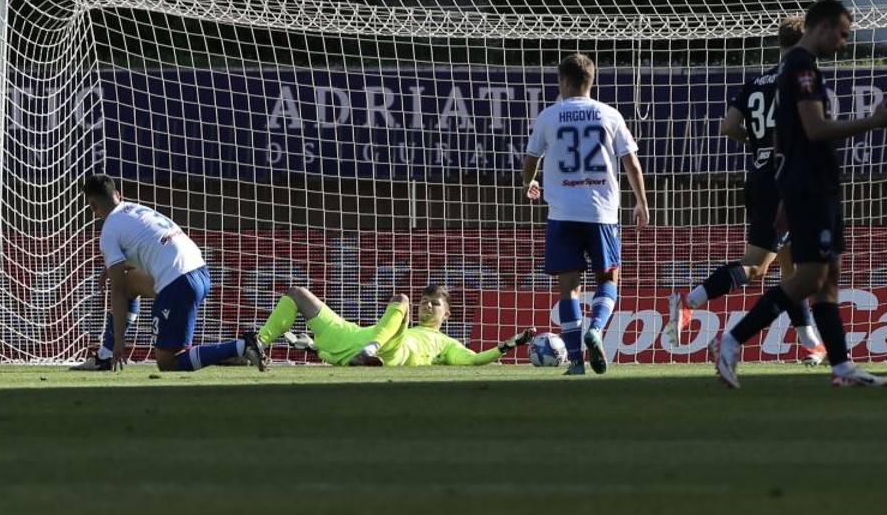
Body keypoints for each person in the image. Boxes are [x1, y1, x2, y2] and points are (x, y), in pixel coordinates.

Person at [711, 0, 887, 388]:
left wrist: (783, 189)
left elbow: (782, 135)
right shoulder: (801, 68)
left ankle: (841, 367)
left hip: (812, 185)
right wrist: (873, 121)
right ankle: (732, 340)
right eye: (843, 35)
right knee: (809, 277)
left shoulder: (793, 67)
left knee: (828, 277)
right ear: (823, 27)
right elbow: (815, 129)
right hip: (811, 187)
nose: (844, 43)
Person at [663, 16, 826, 364]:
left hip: (759, 176)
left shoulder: (756, 82)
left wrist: (759, 145)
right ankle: (689, 300)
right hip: (785, 182)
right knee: (756, 266)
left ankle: (812, 345)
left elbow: (728, 126)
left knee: (792, 267)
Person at [522, 53, 650, 376]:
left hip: (562, 213)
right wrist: (641, 202)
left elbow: (531, 157)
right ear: (591, 81)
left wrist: (529, 182)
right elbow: (631, 162)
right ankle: (596, 329)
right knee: (608, 279)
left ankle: (576, 363)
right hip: (601, 212)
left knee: (569, 287)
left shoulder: (549, 116)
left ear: (564, 80)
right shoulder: (610, 114)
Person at [73, 174, 266, 372]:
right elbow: (149, 247)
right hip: (200, 271)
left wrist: (119, 342)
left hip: (179, 282)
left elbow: (117, 291)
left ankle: (242, 346)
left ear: (93, 206)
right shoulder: (137, 210)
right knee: (130, 283)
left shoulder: (109, 231)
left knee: (168, 362)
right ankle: (104, 357)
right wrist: (111, 267)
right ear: (118, 194)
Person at [255, 284, 534, 367]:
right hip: (353, 336)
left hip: (390, 351)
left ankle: (370, 350)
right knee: (297, 294)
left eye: (434, 304)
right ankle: (256, 345)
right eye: (424, 302)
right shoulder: (400, 326)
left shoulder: (447, 344)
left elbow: (473, 360)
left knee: (401, 299)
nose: (427, 306)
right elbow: (337, 358)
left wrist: (508, 345)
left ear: (447, 315)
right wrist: (315, 348)